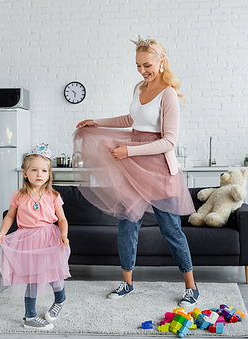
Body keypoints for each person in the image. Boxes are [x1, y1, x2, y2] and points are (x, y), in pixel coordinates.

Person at [74, 36, 199, 307]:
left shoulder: (169, 94)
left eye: (147, 65)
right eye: (138, 66)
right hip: (134, 166)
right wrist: (97, 122)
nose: (142, 71)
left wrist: (128, 151)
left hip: (159, 168)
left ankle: (191, 286)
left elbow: (169, 141)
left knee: (171, 229)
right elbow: (132, 120)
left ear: (161, 62)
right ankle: (127, 283)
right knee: (127, 226)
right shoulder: (138, 87)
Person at [0, 143, 71, 331]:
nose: (39, 174)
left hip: (49, 238)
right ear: (25, 173)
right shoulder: (18, 195)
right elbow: (10, 216)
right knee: (32, 278)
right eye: (34, 169)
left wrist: (64, 235)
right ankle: (30, 316)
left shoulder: (53, 195)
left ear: (49, 174)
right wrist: (2, 232)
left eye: (44, 170)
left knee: (54, 275)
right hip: (26, 240)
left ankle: (60, 299)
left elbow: (62, 219)